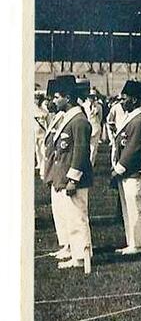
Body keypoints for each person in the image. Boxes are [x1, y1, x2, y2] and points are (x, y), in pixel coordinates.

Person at [48, 75, 94, 270]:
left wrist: (73, 179)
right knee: (70, 216)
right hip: (64, 176)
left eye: (57, 96)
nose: (54, 100)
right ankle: (75, 251)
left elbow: (81, 153)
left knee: (77, 217)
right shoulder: (69, 118)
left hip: (75, 179)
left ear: (67, 98)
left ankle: (82, 256)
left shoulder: (79, 121)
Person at [110, 80, 141, 254]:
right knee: (128, 209)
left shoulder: (139, 120)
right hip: (125, 172)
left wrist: (118, 168)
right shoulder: (130, 117)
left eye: (125, 98)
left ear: (134, 100)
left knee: (136, 207)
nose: (122, 102)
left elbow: (133, 148)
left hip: (132, 171)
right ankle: (132, 241)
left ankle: (140, 243)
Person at [40, 80, 71, 260]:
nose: (49, 101)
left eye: (53, 97)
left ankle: (69, 244)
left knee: (65, 210)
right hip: (53, 169)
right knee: (58, 211)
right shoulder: (55, 117)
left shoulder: (63, 117)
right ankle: (65, 243)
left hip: (61, 170)